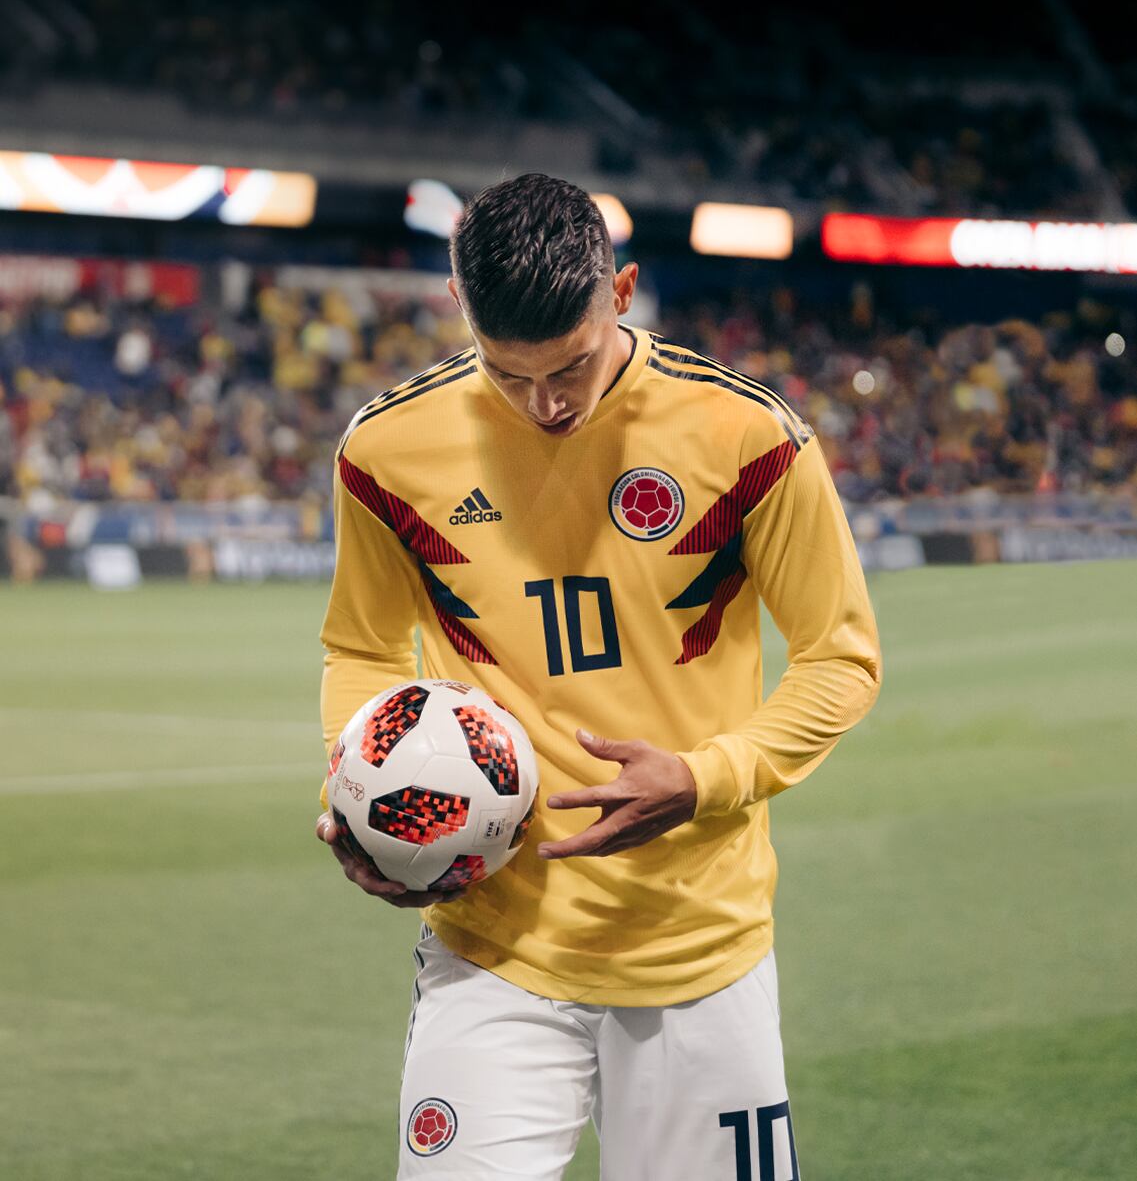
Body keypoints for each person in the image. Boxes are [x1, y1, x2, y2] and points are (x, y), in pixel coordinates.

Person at [316, 173, 882, 1180]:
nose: (548, 404)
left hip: (696, 950)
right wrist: (360, 790)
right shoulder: (386, 452)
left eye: (571, 367)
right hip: (492, 949)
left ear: (621, 294)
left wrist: (708, 777)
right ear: (461, 314)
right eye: (511, 373)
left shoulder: (746, 439)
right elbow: (363, 648)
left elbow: (841, 657)